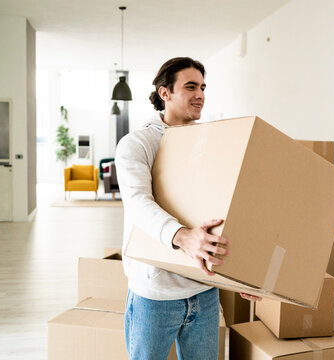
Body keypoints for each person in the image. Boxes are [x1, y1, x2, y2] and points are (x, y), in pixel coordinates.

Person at [115, 57, 260, 360]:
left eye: (203, 87)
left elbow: (225, 209)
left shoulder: (210, 142)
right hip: (155, 296)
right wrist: (183, 236)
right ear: (164, 92)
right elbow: (139, 203)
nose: (200, 95)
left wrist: (245, 273)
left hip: (204, 291)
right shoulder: (137, 143)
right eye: (190, 86)